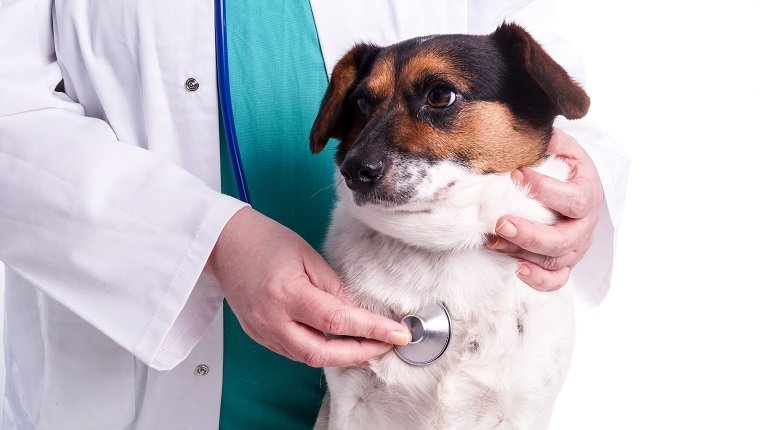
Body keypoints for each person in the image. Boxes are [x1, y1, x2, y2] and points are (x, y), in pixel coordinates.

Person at [0, 0, 628, 429]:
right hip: (133, 377)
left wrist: (579, 177)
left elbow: (553, 77)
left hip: (478, 301)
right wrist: (209, 243)